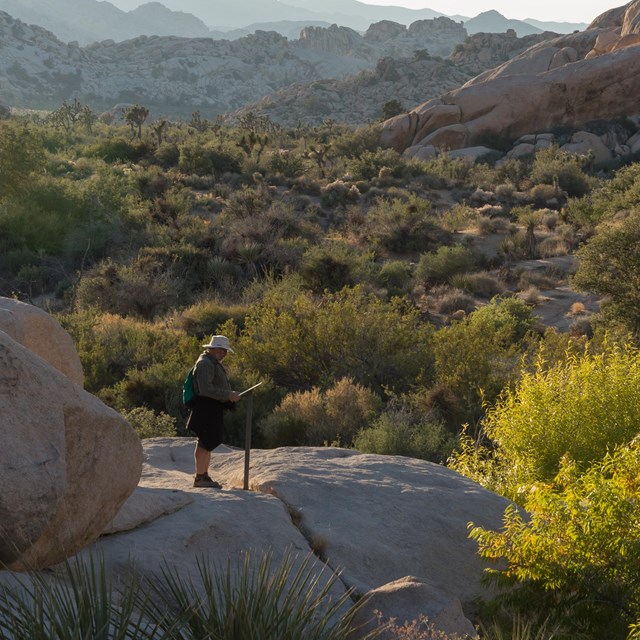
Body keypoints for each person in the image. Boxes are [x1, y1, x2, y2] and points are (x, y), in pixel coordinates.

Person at [186, 335, 241, 488]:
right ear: (216, 349)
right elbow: (205, 389)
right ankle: (200, 478)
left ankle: (204, 475)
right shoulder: (205, 364)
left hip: (210, 407)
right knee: (204, 442)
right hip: (205, 407)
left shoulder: (210, 362)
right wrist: (228, 395)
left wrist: (228, 395)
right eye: (224, 351)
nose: (225, 354)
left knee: (207, 443)